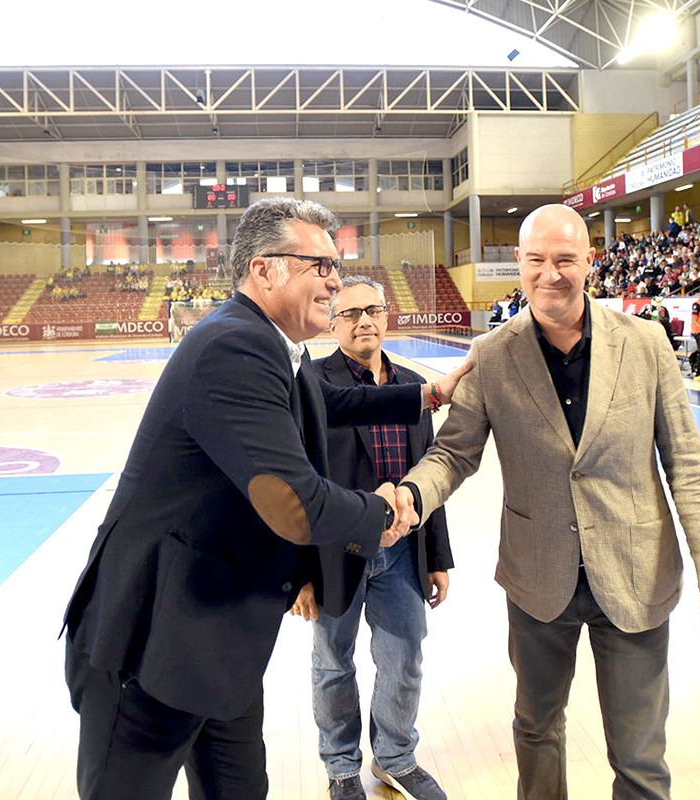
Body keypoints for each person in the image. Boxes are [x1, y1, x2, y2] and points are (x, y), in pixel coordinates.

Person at [61, 198, 469, 800]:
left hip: (217, 637)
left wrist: (426, 394)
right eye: (320, 264)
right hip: (151, 644)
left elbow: (324, 406)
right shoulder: (233, 347)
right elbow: (294, 504)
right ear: (264, 270)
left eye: (337, 263)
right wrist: (384, 510)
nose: (335, 278)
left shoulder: (273, 346)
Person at [396, 204, 700, 800]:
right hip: (538, 578)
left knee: (639, 753)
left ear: (589, 263)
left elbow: (688, 463)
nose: (550, 273)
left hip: (636, 574)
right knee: (536, 729)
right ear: (519, 266)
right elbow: (454, 454)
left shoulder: (647, 342)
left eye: (564, 260)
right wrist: (408, 496)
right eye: (536, 260)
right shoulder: (494, 352)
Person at [290, 276, 455, 800]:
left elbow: (431, 473)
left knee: (405, 655)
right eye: (351, 312)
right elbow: (295, 484)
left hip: (403, 550)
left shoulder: (409, 384)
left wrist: (437, 557)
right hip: (335, 554)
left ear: (387, 317)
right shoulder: (312, 384)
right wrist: (298, 575)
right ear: (333, 323)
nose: (364, 320)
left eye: (374, 310)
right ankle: (341, 766)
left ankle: (395, 758)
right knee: (334, 661)